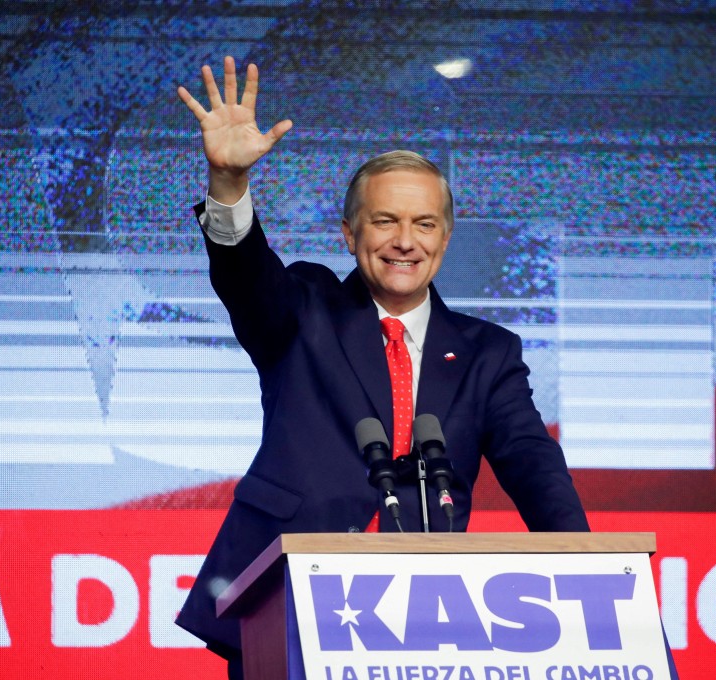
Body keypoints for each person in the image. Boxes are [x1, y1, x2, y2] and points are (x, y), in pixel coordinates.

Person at [175, 56, 590, 678]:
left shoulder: (488, 352)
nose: (406, 241)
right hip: (285, 596)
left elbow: (535, 464)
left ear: (445, 239)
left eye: (424, 224)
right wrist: (229, 183)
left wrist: (586, 568)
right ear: (349, 234)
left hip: (426, 613)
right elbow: (245, 277)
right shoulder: (305, 308)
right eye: (385, 221)